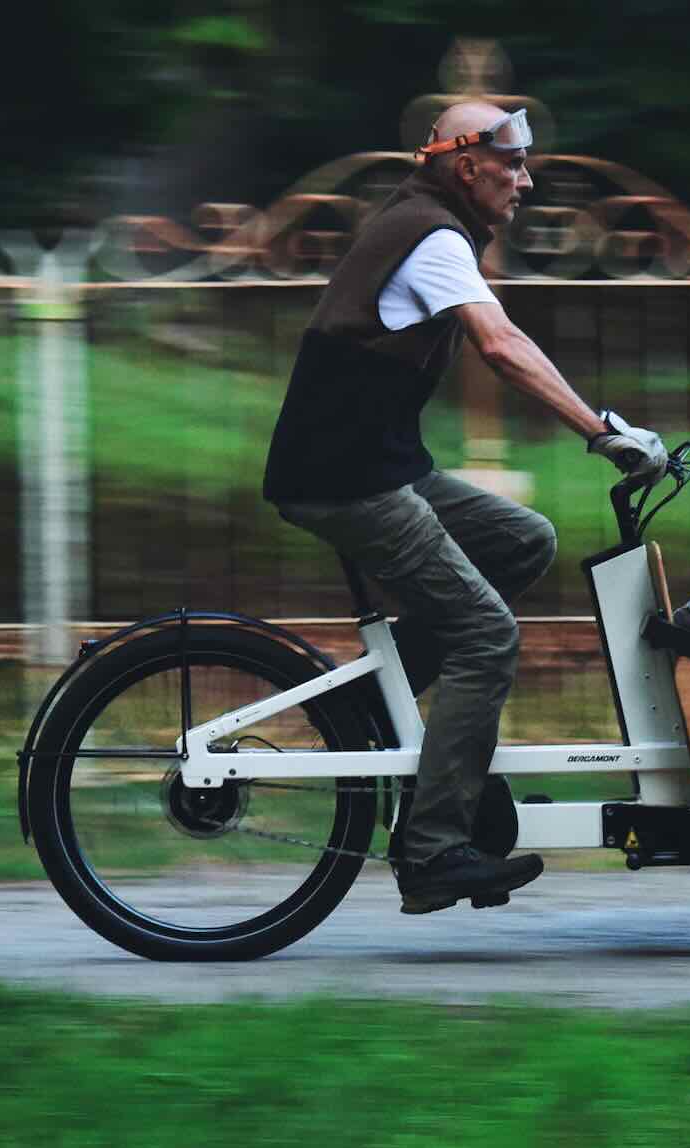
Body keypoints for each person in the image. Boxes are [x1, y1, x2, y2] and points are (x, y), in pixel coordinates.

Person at [262, 100, 668, 915]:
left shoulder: (425, 225)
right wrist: (602, 432)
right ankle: (434, 847)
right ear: (465, 165)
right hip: (348, 478)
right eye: (512, 164)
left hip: (380, 465)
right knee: (487, 637)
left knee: (523, 541)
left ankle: (365, 701)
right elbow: (502, 345)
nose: (525, 181)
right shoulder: (433, 236)